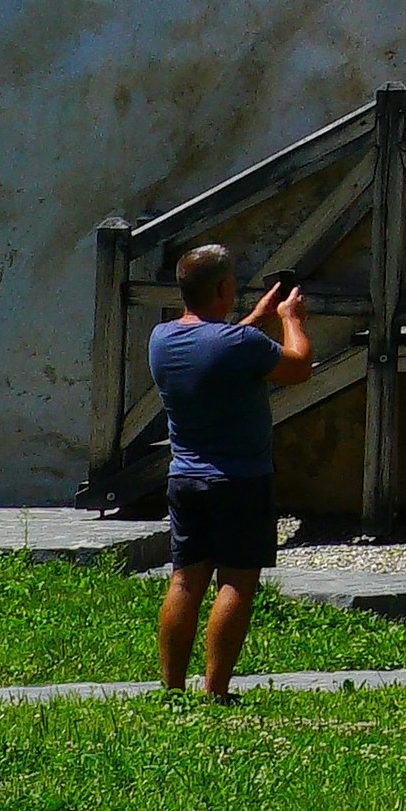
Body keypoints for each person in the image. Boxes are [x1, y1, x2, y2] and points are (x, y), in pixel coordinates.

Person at [141, 238, 308, 697]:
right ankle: (215, 690)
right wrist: (290, 320)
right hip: (242, 480)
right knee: (236, 583)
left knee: (185, 580)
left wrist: (256, 317)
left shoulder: (163, 339)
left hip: (185, 478)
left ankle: (172, 688)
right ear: (222, 288)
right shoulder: (240, 343)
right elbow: (298, 366)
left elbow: (224, 344)